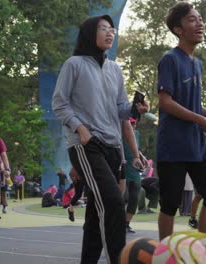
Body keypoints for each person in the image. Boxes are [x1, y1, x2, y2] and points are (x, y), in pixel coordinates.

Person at [52, 14, 148, 263]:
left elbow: (120, 109)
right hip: (86, 145)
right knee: (114, 203)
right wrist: (80, 129)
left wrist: (136, 109)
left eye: (112, 29)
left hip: (112, 147)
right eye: (103, 28)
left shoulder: (115, 68)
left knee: (96, 212)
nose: (110, 33)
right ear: (89, 33)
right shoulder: (74, 64)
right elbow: (59, 104)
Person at [156, 1, 206, 240]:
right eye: (192, 20)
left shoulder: (197, 64)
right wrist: (200, 119)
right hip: (173, 145)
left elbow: (190, 102)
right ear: (178, 29)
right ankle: (165, 252)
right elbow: (165, 102)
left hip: (198, 144)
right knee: (170, 204)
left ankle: (201, 248)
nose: (200, 23)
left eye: (200, 19)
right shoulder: (170, 59)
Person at [122, 118, 145, 233]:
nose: (133, 125)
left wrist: (141, 156)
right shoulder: (118, 133)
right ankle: (117, 222)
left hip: (134, 168)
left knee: (134, 197)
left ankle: (126, 224)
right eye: (131, 123)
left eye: (134, 123)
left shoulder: (136, 133)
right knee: (122, 197)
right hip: (122, 166)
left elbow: (136, 147)